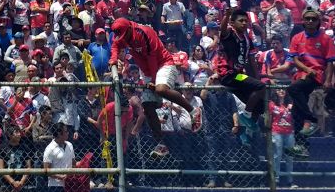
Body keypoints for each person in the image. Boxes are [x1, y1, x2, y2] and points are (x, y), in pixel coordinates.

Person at [108, 17, 196, 157]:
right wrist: (113, 58)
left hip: (163, 65)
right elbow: (115, 46)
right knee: (147, 107)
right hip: (148, 71)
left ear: (130, 28)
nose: (124, 38)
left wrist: (154, 81)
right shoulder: (123, 33)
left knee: (160, 89)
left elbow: (152, 58)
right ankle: (161, 144)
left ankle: (193, 111)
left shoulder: (145, 32)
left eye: (125, 35)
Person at [213, 9, 268, 138]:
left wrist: (257, 76)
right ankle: (245, 116)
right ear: (233, 23)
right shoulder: (230, 34)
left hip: (238, 75)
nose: (244, 23)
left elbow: (251, 58)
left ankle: (245, 133)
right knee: (261, 87)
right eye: (240, 21)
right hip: (228, 75)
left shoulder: (247, 39)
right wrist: (226, 15)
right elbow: (223, 29)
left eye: (245, 21)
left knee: (260, 106)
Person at [288, 9, 335, 138]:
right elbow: (295, 59)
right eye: (307, 18)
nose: (310, 21)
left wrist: (327, 80)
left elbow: (330, 61)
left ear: (318, 22)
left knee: (293, 89)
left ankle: (312, 120)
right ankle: (301, 147)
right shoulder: (297, 38)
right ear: (303, 21)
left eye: (313, 19)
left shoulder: (326, 38)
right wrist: (306, 69)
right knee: (295, 112)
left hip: (316, 74)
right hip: (301, 75)